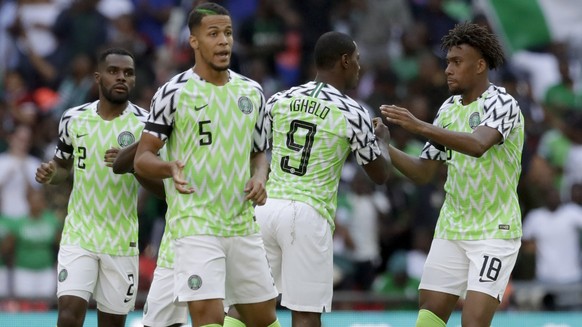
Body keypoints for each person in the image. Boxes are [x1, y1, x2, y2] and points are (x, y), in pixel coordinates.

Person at [230, 31, 392, 327]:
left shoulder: (279, 98)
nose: (359, 66)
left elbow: (255, 152)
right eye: (356, 60)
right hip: (308, 214)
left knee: (244, 307)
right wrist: (383, 141)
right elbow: (380, 175)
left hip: (265, 209)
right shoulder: (353, 111)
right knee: (305, 313)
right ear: (344, 61)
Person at [133, 3, 280, 327]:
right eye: (213, 34)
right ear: (194, 41)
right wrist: (168, 167)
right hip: (195, 222)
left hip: (241, 222)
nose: (224, 41)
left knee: (264, 318)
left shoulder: (252, 92)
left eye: (227, 33)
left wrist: (259, 177)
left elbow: (259, 154)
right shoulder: (173, 93)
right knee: (207, 316)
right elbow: (142, 158)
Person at [379, 22, 524, 327]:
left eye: (457, 62)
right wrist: (384, 147)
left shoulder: (503, 103)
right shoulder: (447, 109)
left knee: (472, 323)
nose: (448, 69)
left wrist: (418, 126)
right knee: (427, 320)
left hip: (494, 231)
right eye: (447, 62)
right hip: (452, 228)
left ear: (480, 65)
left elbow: (478, 144)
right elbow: (423, 172)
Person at [35, 48, 149, 327]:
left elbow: (161, 185)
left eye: (128, 73)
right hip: (79, 233)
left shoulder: (146, 125)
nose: (121, 77)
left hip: (122, 238)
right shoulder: (73, 118)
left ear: (134, 80)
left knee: (111, 323)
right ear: (98, 77)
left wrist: (133, 164)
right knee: (69, 315)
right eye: (113, 71)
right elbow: (63, 167)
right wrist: (52, 173)